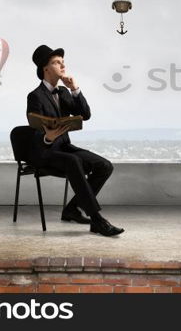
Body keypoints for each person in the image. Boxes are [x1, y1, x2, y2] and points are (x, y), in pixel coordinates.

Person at [26, 44, 123, 237]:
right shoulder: (35, 96)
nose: (62, 66)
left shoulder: (63, 92)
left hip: (64, 148)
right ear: (45, 68)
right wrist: (47, 137)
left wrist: (75, 89)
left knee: (105, 165)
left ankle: (71, 209)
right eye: (56, 62)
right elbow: (35, 133)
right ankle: (97, 220)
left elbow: (85, 115)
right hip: (45, 152)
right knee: (73, 161)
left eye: (63, 62)